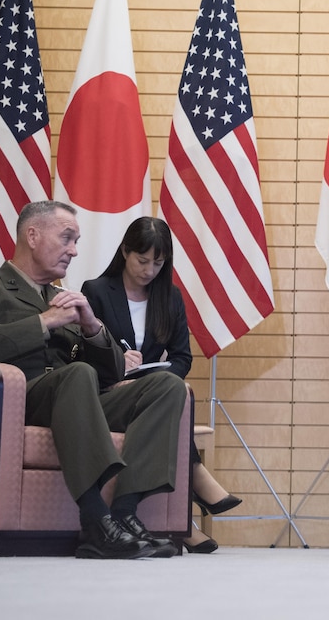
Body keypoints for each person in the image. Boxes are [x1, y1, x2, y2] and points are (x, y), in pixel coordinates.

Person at [0, 201, 187, 560]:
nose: (74, 250)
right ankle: (94, 521)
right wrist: (42, 323)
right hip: (23, 400)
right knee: (77, 374)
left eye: (76, 241)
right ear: (32, 235)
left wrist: (91, 326)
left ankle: (124, 513)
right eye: (67, 238)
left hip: (78, 401)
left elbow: (111, 373)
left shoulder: (66, 298)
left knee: (167, 386)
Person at [82, 216, 242, 554]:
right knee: (170, 399)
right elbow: (80, 355)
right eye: (142, 260)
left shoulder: (170, 298)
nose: (149, 270)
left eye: (158, 262)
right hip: (107, 396)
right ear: (125, 251)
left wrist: (153, 378)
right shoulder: (95, 291)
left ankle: (173, 519)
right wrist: (116, 368)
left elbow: (183, 358)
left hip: (150, 394)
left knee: (170, 389)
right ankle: (189, 497)